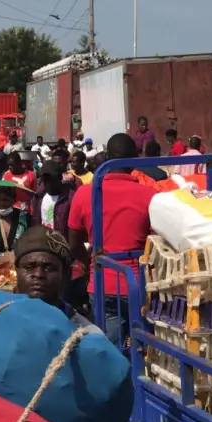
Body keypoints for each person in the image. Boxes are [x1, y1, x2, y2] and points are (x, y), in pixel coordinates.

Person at [11, 226, 134, 422]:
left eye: (48, 268)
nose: (38, 274)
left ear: (65, 275)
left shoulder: (87, 337)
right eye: (29, 266)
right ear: (16, 271)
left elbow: (113, 405)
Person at [68, 133, 156, 348]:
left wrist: (90, 263)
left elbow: (73, 244)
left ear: (107, 156)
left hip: (101, 282)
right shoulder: (150, 195)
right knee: (144, 350)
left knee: (111, 350)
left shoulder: (84, 193)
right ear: (134, 160)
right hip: (139, 285)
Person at [0, 182, 31, 260]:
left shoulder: (24, 218)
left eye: (5, 200)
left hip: (17, 263)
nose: (1, 203)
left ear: (13, 200)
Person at [32, 162, 75, 238]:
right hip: (43, 242)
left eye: (52, 181)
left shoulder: (70, 198)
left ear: (60, 178)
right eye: (45, 181)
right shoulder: (38, 197)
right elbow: (35, 220)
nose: (48, 184)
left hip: (62, 243)